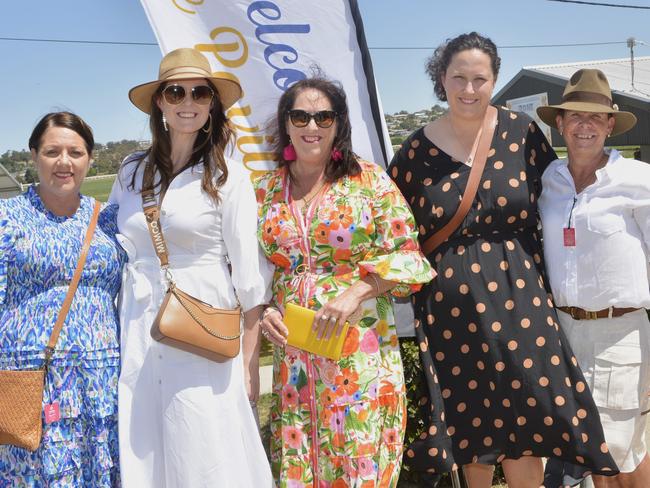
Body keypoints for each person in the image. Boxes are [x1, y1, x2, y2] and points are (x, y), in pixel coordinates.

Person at [388, 32, 618, 487]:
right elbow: (391, 228)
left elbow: (560, 196)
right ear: (441, 79)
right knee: (472, 422)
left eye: (480, 79)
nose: (469, 89)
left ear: (493, 81)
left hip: (522, 302)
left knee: (527, 414)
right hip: (449, 310)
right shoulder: (414, 151)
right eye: (459, 78)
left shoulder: (521, 132)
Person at [255, 76, 436, 487]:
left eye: (323, 116)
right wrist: (267, 309)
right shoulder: (265, 191)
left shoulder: (368, 182)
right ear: (286, 124)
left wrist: (357, 292)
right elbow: (256, 271)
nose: (311, 125)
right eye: (300, 115)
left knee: (359, 453)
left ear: (338, 125)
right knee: (303, 458)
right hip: (296, 353)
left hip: (360, 350)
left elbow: (410, 257)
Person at [109, 48, 273, 486]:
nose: (189, 101)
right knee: (144, 435)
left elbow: (248, 278)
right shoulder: (130, 171)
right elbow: (106, 242)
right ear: (160, 102)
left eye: (200, 92)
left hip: (201, 320)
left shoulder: (228, 176)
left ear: (212, 104)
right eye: (176, 91)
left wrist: (250, 363)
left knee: (201, 437)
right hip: (137, 320)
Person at [538, 68, 650, 488]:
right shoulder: (550, 180)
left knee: (623, 451)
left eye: (595, 118)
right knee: (587, 451)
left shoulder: (639, 180)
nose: (584, 126)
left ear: (609, 125)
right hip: (563, 333)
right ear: (561, 124)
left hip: (620, 332)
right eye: (575, 117)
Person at [0, 112, 125, 485]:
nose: (64, 162)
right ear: (34, 155)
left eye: (76, 151)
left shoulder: (110, 221)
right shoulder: (7, 219)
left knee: (99, 470)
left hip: (100, 379)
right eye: (52, 151)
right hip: (31, 380)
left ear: (90, 158)